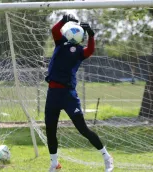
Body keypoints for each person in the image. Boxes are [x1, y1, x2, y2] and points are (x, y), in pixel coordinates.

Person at [45, 14, 114, 172]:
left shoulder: (80, 51)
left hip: (68, 95)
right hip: (53, 93)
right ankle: (54, 164)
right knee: (50, 130)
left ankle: (107, 157)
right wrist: (64, 20)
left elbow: (90, 50)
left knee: (83, 129)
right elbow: (54, 29)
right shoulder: (60, 42)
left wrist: (91, 35)